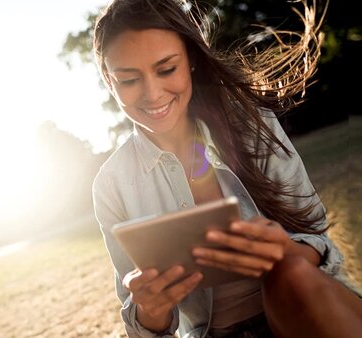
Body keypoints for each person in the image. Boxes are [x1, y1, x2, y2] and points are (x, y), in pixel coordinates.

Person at [90, 0, 362, 337]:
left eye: (166, 69)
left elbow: (320, 242)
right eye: (129, 80)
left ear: (189, 60)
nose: (153, 93)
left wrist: (285, 251)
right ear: (108, 79)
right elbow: (146, 329)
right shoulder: (112, 184)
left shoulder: (252, 124)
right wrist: (149, 307)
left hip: (305, 307)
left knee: (292, 273)